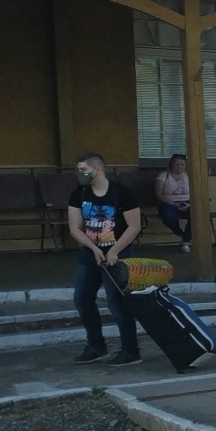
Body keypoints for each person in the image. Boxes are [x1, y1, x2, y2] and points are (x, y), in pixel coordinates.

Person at [67, 152, 143, 366]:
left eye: (83, 170)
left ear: (97, 169)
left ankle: (131, 350)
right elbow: (75, 228)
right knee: (82, 299)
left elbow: (134, 226)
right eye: (78, 170)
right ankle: (96, 346)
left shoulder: (122, 193)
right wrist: (93, 248)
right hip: (90, 254)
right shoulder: (79, 194)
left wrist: (114, 251)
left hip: (118, 254)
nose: (79, 173)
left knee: (117, 302)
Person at [154, 153, 193, 253]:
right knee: (168, 216)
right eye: (176, 164)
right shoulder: (163, 176)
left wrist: (189, 204)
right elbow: (159, 194)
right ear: (171, 164)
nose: (179, 167)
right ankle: (182, 235)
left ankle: (185, 241)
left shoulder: (189, 176)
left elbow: (195, 193)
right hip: (168, 203)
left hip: (187, 203)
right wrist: (174, 204)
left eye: (182, 164)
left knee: (197, 215)